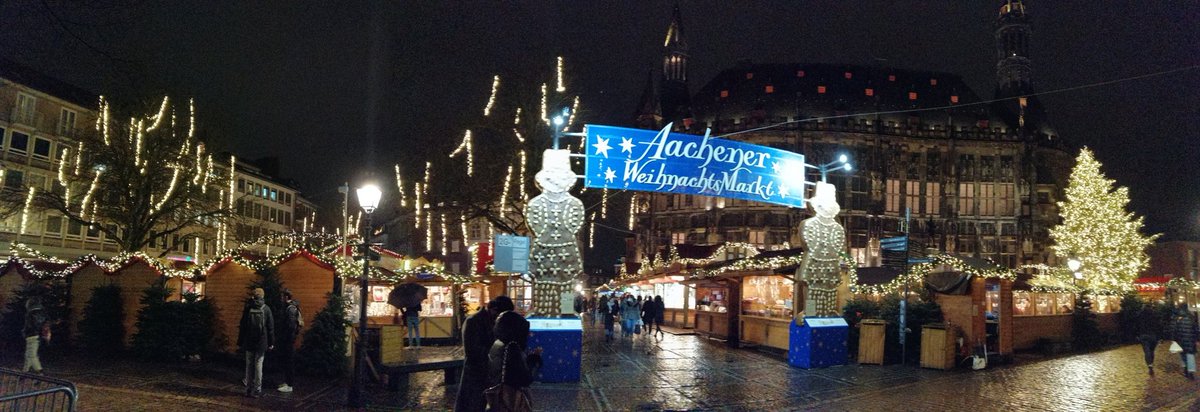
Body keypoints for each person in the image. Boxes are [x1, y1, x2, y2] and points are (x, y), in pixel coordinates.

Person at [455, 296, 514, 412]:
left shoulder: (493, 321)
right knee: (472, 406)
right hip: (475, 374)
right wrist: (495, 354)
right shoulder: (473, 321)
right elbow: (472, 350)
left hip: (490, 374)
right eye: (500, 315)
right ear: (494, 310)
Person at [487, 311, 542, 411]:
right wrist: (534, 359)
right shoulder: (512, 347)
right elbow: (525, 379)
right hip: (511, 400)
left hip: (498, 396)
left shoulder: (497, 343)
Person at [238, 288, 275, 398]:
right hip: (261, 342)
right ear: (263, 296)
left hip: (249, 341)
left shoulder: (248, 308)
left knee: (249, 365)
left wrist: (240, 341)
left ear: (253, 296)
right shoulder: (266, 309)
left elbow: (243, 325)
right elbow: (270, 327)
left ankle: (248, 389)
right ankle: (257, 390)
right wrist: (271, 342)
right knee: (258, 365)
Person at [277, 289, 303, 393]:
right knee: (287, 361)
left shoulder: (290, 309)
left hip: (289, 339)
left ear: (286, 297)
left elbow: (290, 326)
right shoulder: (289, 307)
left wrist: (287, 338)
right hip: (289, 339)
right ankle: (287, 382)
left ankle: (289, 384)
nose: (281, 299)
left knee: (289, 361)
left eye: (282, 296)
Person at [1171, 306, 1198, 379]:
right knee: (1190, 355)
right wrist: (1195, 339)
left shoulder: (1178, 320)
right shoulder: (1191, 319)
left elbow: (1175, 331)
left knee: (1183, 355)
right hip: (1190, 341)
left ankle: (1185, 368)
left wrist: (1174, 339)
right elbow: (1196, 330)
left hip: (1181, 340)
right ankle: (1191, 372)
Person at [23, 297, 48, 374]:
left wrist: (25, 332)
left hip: (32, 335)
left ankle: (40, 372)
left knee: (32, 355)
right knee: (28, 355)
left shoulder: (31, 313)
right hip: (37, 335)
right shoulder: (41, 313)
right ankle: (25, 372)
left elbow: (30, 326)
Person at [1137, 307, 1161, 375]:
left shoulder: (1140, 316)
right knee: (1152, 351)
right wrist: (1159, 337)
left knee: (1146, 351)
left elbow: (1136, 326)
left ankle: (1150, 365)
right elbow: (1159, 326)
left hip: (1143, 335)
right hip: (1153, 335)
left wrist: (1137, 335)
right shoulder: (1154, 316)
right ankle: (1151, 363)